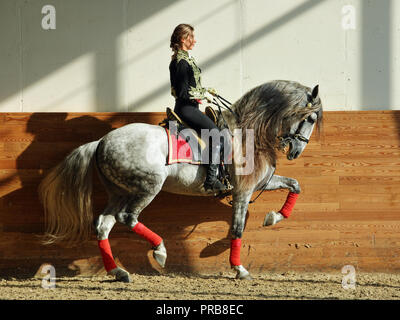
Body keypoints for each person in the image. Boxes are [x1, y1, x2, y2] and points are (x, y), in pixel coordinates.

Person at [169, 23, 229, 193]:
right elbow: (182, 92)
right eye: (192, 37)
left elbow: (190, 85)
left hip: (192, 106)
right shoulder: (180, 62)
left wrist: (205, 90)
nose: (195, 41)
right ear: (183, 39)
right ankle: (211, 180)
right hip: (186, 108)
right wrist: (203, 94)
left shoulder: (186, 59)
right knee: (217, 135)